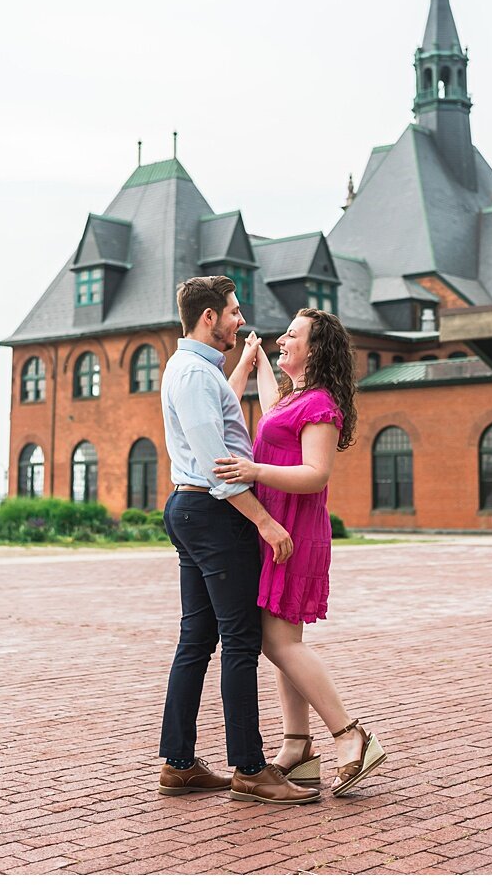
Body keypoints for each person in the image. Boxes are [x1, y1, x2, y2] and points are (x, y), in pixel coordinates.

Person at [157, 275, 318, 805]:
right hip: (213, 512)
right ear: (209, 318)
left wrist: (247, 364)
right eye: (232, 312)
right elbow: (221, 468)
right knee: (241, 642)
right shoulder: (195, 377)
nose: (240, 320)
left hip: (192, 508)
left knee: (197, 640)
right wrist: (265, 523)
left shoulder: (194, 370)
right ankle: (250, 769)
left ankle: (179, 764)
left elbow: (219, 417)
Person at [215, 308, 386, 796]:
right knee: (285, 644)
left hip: (295, 532)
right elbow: (270, 412)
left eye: (293, 335)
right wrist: (255, 358)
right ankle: (297, 747)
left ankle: (351, 736)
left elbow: (316, 474)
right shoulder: (296, 400)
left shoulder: (322, 406)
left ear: (316, 350)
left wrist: (253, 471)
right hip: (277, 531)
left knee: (279, 643)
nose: (282, 339)